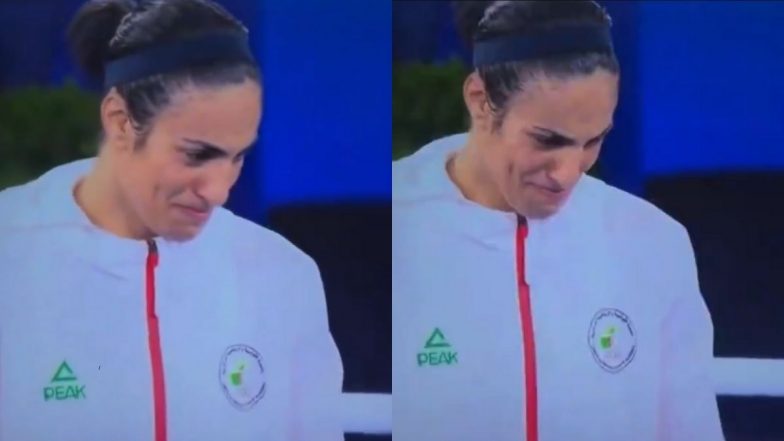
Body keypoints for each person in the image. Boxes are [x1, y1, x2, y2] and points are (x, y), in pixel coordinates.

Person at [0, 1, 343, 440]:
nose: (218, 191)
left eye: (236, 157)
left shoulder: (281, 273)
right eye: (196, 154)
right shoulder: (13, 254)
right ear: (120, 121)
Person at [392, 1, 724, 440]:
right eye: (547, 140)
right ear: (480, 100)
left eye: (594, 141)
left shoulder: (653, 242)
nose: (568, 172)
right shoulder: (397, 225)